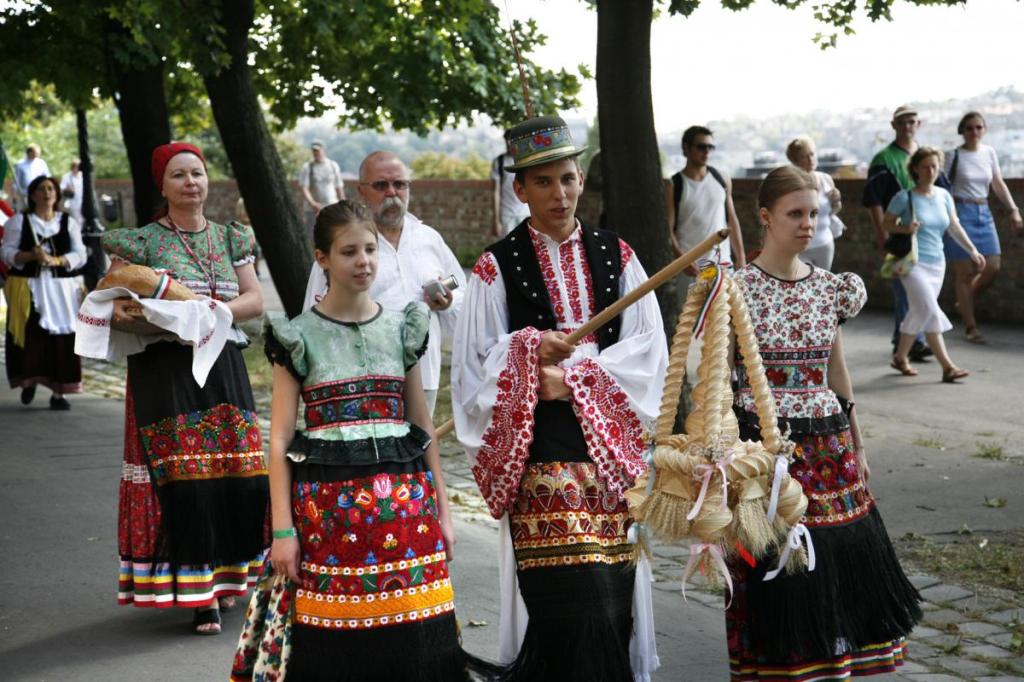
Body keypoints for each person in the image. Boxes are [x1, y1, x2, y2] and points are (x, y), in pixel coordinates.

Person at [231, 199, 485, 682]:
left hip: (409, 515)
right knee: (337, 645)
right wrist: (283, 531)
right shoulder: (298, 335)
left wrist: (445, 514)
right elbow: (281, 436)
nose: (363, 261)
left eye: (369, 249)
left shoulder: (402, 327)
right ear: (322, 258)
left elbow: (422, 427)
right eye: (349, 252)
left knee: (414, 641)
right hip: (327, 519)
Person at [451, 115, 665, 681]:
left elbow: (649, 356)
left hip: (609, 453)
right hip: (538, 451)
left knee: (613, 586)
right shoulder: (495, 267)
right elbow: (473, 369)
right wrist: (525, 352)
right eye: (543, 182)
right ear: (519, 189)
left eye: (567, 179)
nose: (559, 193)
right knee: (565, 592)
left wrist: (572, 378)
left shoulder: (616, 255)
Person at [728, 165, 921, 680]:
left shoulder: (831, 289)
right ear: (765, 217)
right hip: (763, 445)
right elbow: (717, 378)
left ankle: (832, 665)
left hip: (828, 442)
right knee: (776, 562)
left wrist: (858, 446)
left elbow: (837, 372)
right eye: (795, 214)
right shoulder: (735, 289)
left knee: (833, 557)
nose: (808, 223)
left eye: (814, 213)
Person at [101, 142, 269, 634]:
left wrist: (208, 313)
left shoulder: (230, 237)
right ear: (163, 185)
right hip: (167, 370)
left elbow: (255, 299)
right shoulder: (142, 243)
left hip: (223, 365)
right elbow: (112, 302)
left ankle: (233, 578)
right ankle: (202, 595)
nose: (191, 182)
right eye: (179, 175)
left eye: (197, 173)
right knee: (187, 479)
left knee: (240, 475)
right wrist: (163, 319)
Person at [302, 151, 463, 417]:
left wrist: (447, 302)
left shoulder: (429, 239)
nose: (392, 192)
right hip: (360, 379)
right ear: (361, 191)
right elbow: (314, 316)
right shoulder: (343, 244)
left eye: (400, 184)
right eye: (381, 185)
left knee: (417, 454)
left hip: (423, 375)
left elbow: (463, 299)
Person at [885, 147, 985, 382]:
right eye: (925, 167)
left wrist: (972, 250)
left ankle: (900, 357)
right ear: (915, 170)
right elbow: (886, 223)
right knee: (929, 310)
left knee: (919, 311)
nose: (930, 171)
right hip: (912, 264)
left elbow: (954, 226)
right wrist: (905, 228)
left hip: (937, 263)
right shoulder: (905, 197)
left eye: (934, 166)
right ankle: (948, 367)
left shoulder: (943, 196)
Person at [2, 175, 84, 409]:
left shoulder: (68, 222)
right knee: (32, 336)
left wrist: (57, 260)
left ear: (57, 194)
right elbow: (6, 252)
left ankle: (60, 394)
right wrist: (28, 255)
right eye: (41, 189)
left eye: (51, 189)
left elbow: (81, 254)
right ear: (33, 194)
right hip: (31, 288)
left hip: (61, 291)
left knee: (63, 340)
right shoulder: (20, 221)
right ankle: (29, 381)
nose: (47, 193)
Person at [944, 111, 1023, 343]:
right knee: (964, 273)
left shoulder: (989, 153)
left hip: (984, 211)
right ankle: (971, 326)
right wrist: (949, 217)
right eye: (969, 128)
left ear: (984, 130)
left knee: (993, 266)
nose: (974, 132)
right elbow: (943, 186)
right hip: (961, 212)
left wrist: (1014, 210)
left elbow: (997, 183)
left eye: (979, 127)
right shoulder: (953, 156)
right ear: (962, 131)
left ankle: (963, 303)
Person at [862, 105, 932, 362]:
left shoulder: (924, 156)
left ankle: (910, 340)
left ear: (918, 124)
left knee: (920, 289)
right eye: (902, 122)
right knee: (906, 288)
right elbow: (874, 200)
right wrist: (883, 235)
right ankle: (911, 342)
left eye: (911, 122)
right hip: (900, 233)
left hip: (924, 234)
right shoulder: (884, 159)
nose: (907, 127)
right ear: (894, 126)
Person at [665, 125, 746, 288]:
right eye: (701, 147)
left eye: (710, 147)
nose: (707, 151)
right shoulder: (675, 185)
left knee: (726, 314)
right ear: (686, 148)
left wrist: (741, 258)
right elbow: (668, 229)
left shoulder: (721, 178)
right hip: (693, 269)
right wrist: (682, 261)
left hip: (723, 265)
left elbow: (732, 221)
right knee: (694, 315)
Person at [786, 137, 843, 270]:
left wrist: (836, 201)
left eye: (812, 154)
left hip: (824, 242)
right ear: (794, 161)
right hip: (800, 245)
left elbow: (833, 211)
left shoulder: (826, 179)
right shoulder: (790, 183)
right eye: (804, 157)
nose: (811, 159)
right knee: (802, 286)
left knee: (823, 286)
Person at [492, 128, 532, 237]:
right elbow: (496, 193)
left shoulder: (527, 161)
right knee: (508, 251)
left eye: (512, 141)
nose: (509, 144)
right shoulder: (499, 162)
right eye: (507, 141)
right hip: (507, 214)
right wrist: (496, 221)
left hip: (527, 213)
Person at [298, 140, 344, 226]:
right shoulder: (307, 167)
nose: (316, 153)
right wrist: (313, 203)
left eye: (318, 151)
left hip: (331, 207)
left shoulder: (333, 165)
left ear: (324, 150)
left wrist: (343, 204)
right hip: (312, 209)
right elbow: (304, 188)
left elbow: (339, 186)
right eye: (314, 151)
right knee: (312, 235)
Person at [13, 144, 50, 211]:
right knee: (26, 212)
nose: (37, 155)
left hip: (39, 193)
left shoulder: (41, 163)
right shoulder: (20, 164)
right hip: (25, 194)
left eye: (38, 153)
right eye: (35, 153)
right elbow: (16, 181)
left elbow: (47, 177)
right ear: (29, 152)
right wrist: (14, 194)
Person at [60, 158, 84, 224]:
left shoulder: (82, 176)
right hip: (72, 202)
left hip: (82, 201)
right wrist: (69, 189)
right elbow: (61, 188)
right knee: (76, 220)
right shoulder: (67, 176)